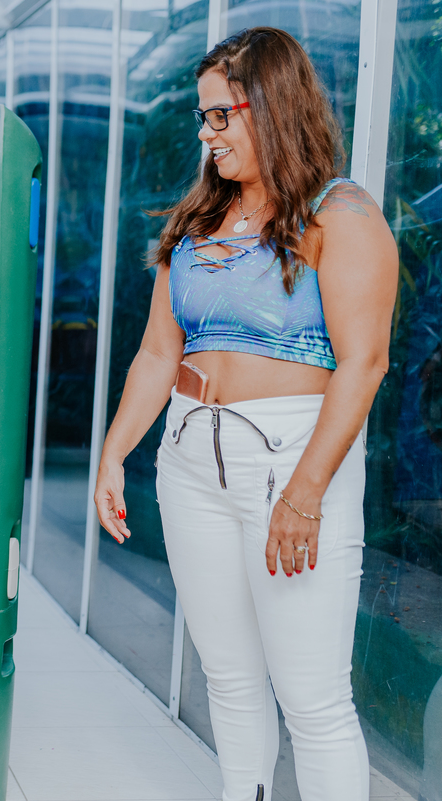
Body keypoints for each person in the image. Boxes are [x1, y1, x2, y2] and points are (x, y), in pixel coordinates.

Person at [92, 27, 397, 801]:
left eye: (220, 116)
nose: (206, 134)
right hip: (191, 459)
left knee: (313, 698)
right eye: (203, 118)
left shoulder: (343, 214)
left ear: (270, 105)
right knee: (228, 677)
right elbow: (159, 353)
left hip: (293, 461)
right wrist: (115, 451)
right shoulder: (196, 222)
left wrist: (304, 494)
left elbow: (364, 363)